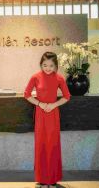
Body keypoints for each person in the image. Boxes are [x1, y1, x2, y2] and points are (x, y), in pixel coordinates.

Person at [24, 52, 71, 188]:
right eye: (45, 65)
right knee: (41, 145)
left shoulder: (59, 78)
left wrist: (53, 105)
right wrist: (40, 104)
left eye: (51, 65)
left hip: (53, 114)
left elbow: (67, 96)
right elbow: (27, 94)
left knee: (53, 144)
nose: (48, 68)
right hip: (40, 113)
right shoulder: (35, 77)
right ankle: (42, 179)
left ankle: (53, 179)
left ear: (55, 66)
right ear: (41, 65)